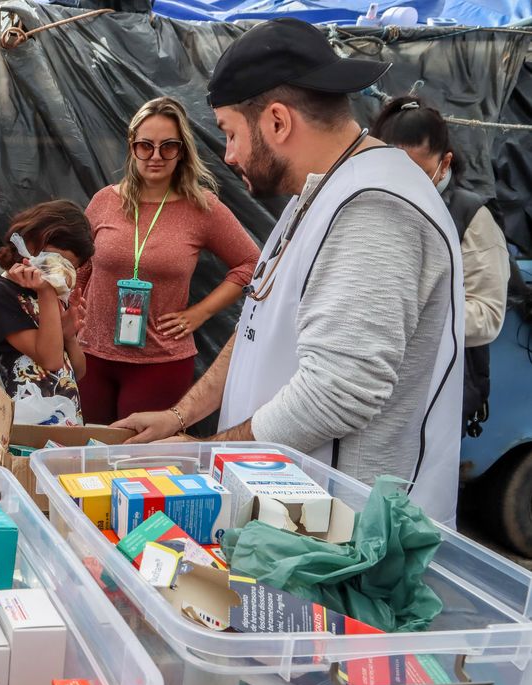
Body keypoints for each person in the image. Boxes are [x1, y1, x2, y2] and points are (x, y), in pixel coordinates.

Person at [113, 18, 465, 525]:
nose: (228, 154)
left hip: (345, 540)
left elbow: (337, 391)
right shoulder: (321, 191)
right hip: (291, 518)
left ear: (277, 121)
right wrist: (179, 416)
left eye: (231, 133)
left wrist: (205, 455)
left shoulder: (373, 208)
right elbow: (258, 323)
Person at [78, 96, 259, 425]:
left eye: (168, 146)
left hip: (160, 362)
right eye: (145, 145)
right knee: (87, 457)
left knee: (138, 463)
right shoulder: (104, 201)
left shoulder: (202, 208)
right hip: (92, 357)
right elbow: (81, 267)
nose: (156, 156)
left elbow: (251, 264)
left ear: (183, 150)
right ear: (132, 147)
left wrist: (199, 313)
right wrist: (72, 319)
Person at [370, 96, 509, 435]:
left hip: (438, 391)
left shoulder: (470, 216)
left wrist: (403, 317)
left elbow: (487, 316)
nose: (403, 182)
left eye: (417, 171)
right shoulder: (370, 206)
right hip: (374, 386)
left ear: (444, 163)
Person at [0, 200, 93, 426]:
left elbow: (77, 372)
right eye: (55, 259)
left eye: (69, 267)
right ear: (29, 243)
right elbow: (50, 359)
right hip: (30, 423)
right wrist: (47, 292)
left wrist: (69, 336)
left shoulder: (57, 296)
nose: (59, 272)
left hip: (68, 421)